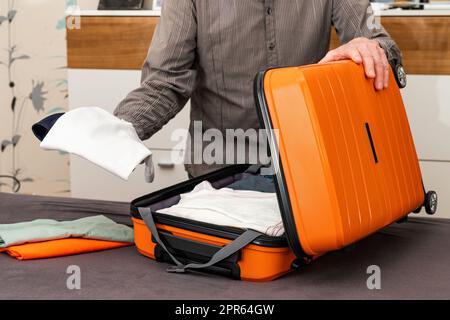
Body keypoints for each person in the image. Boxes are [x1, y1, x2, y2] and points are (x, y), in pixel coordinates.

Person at [114, 0, 401, 178]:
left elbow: (383, 47)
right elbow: (166, 82)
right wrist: (114, 130)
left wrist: (368, 48)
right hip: (219, 172)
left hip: (308, 170)